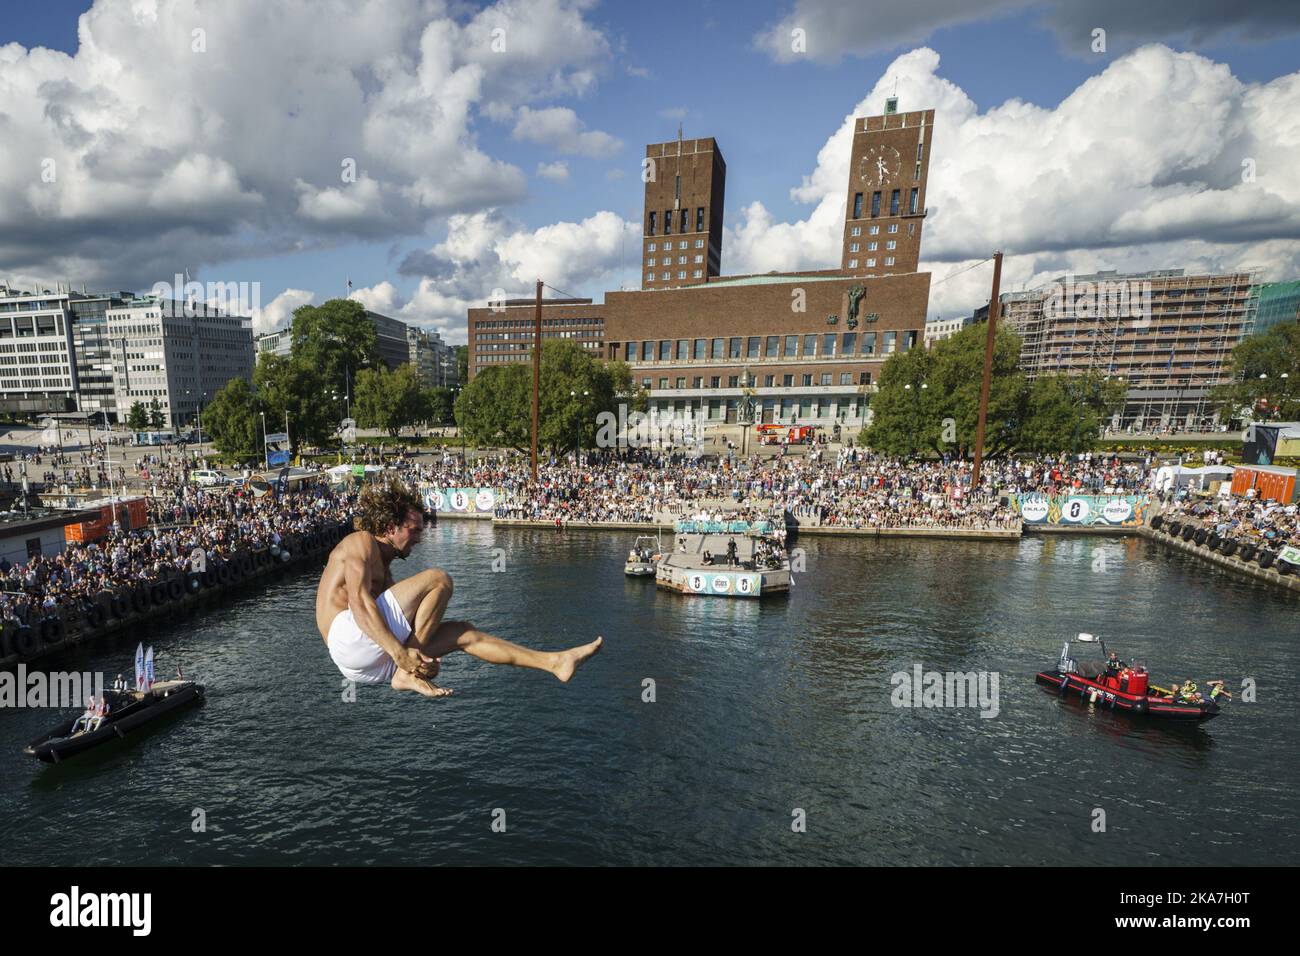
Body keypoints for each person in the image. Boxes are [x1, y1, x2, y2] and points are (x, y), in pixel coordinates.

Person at [316, 478, 601, 698]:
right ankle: (406, 673)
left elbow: (399, 622)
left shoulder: (386, 572)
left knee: (464, 633)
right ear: (391, 527)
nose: (419, 538)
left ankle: (554, 663)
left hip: (365, 666)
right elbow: (359, 603)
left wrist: (424, 660)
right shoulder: (360, 542)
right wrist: (403, 656)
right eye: (413, 530)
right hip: (346, 638)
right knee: (439, 579)